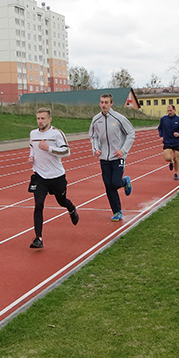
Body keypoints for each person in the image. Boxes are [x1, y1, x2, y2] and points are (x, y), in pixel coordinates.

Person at [27, 108, 78, 249]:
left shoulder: (56, 133)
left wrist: (48, 148)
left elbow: (67, 151)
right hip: (39, 176)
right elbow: (32, 147)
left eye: (43, 118)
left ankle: (71, 208)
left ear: (50, 119)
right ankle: (38, 238)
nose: (40, 121)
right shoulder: (33, 134)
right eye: (38, 118)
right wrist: (31, 156)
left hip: (56, 176)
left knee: (61, 201)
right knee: (38, 205)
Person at [89, 93, 135, 221]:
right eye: (102, 102)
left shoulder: (119, 118)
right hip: (104, 157)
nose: (103, 105)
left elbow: (131, 133)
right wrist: (96, 149)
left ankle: (125, 181)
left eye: (106, 102)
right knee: (108, 185)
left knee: (115, 183)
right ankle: (117, 211)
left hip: (118, 156)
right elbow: (93, 136)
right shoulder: (96, 119)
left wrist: (123, 150)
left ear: (111, 103)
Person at [159, 104, 179, 181]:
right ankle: (170, 161)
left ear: (174, 110)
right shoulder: (164, 119)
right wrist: (161, 136)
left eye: (170, 110)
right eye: (168, 111)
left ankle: (176, 173)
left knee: (176, 158)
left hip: (177, 141)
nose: (169, 112)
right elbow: (160, 128)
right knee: (167, 157)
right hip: (167, 141)